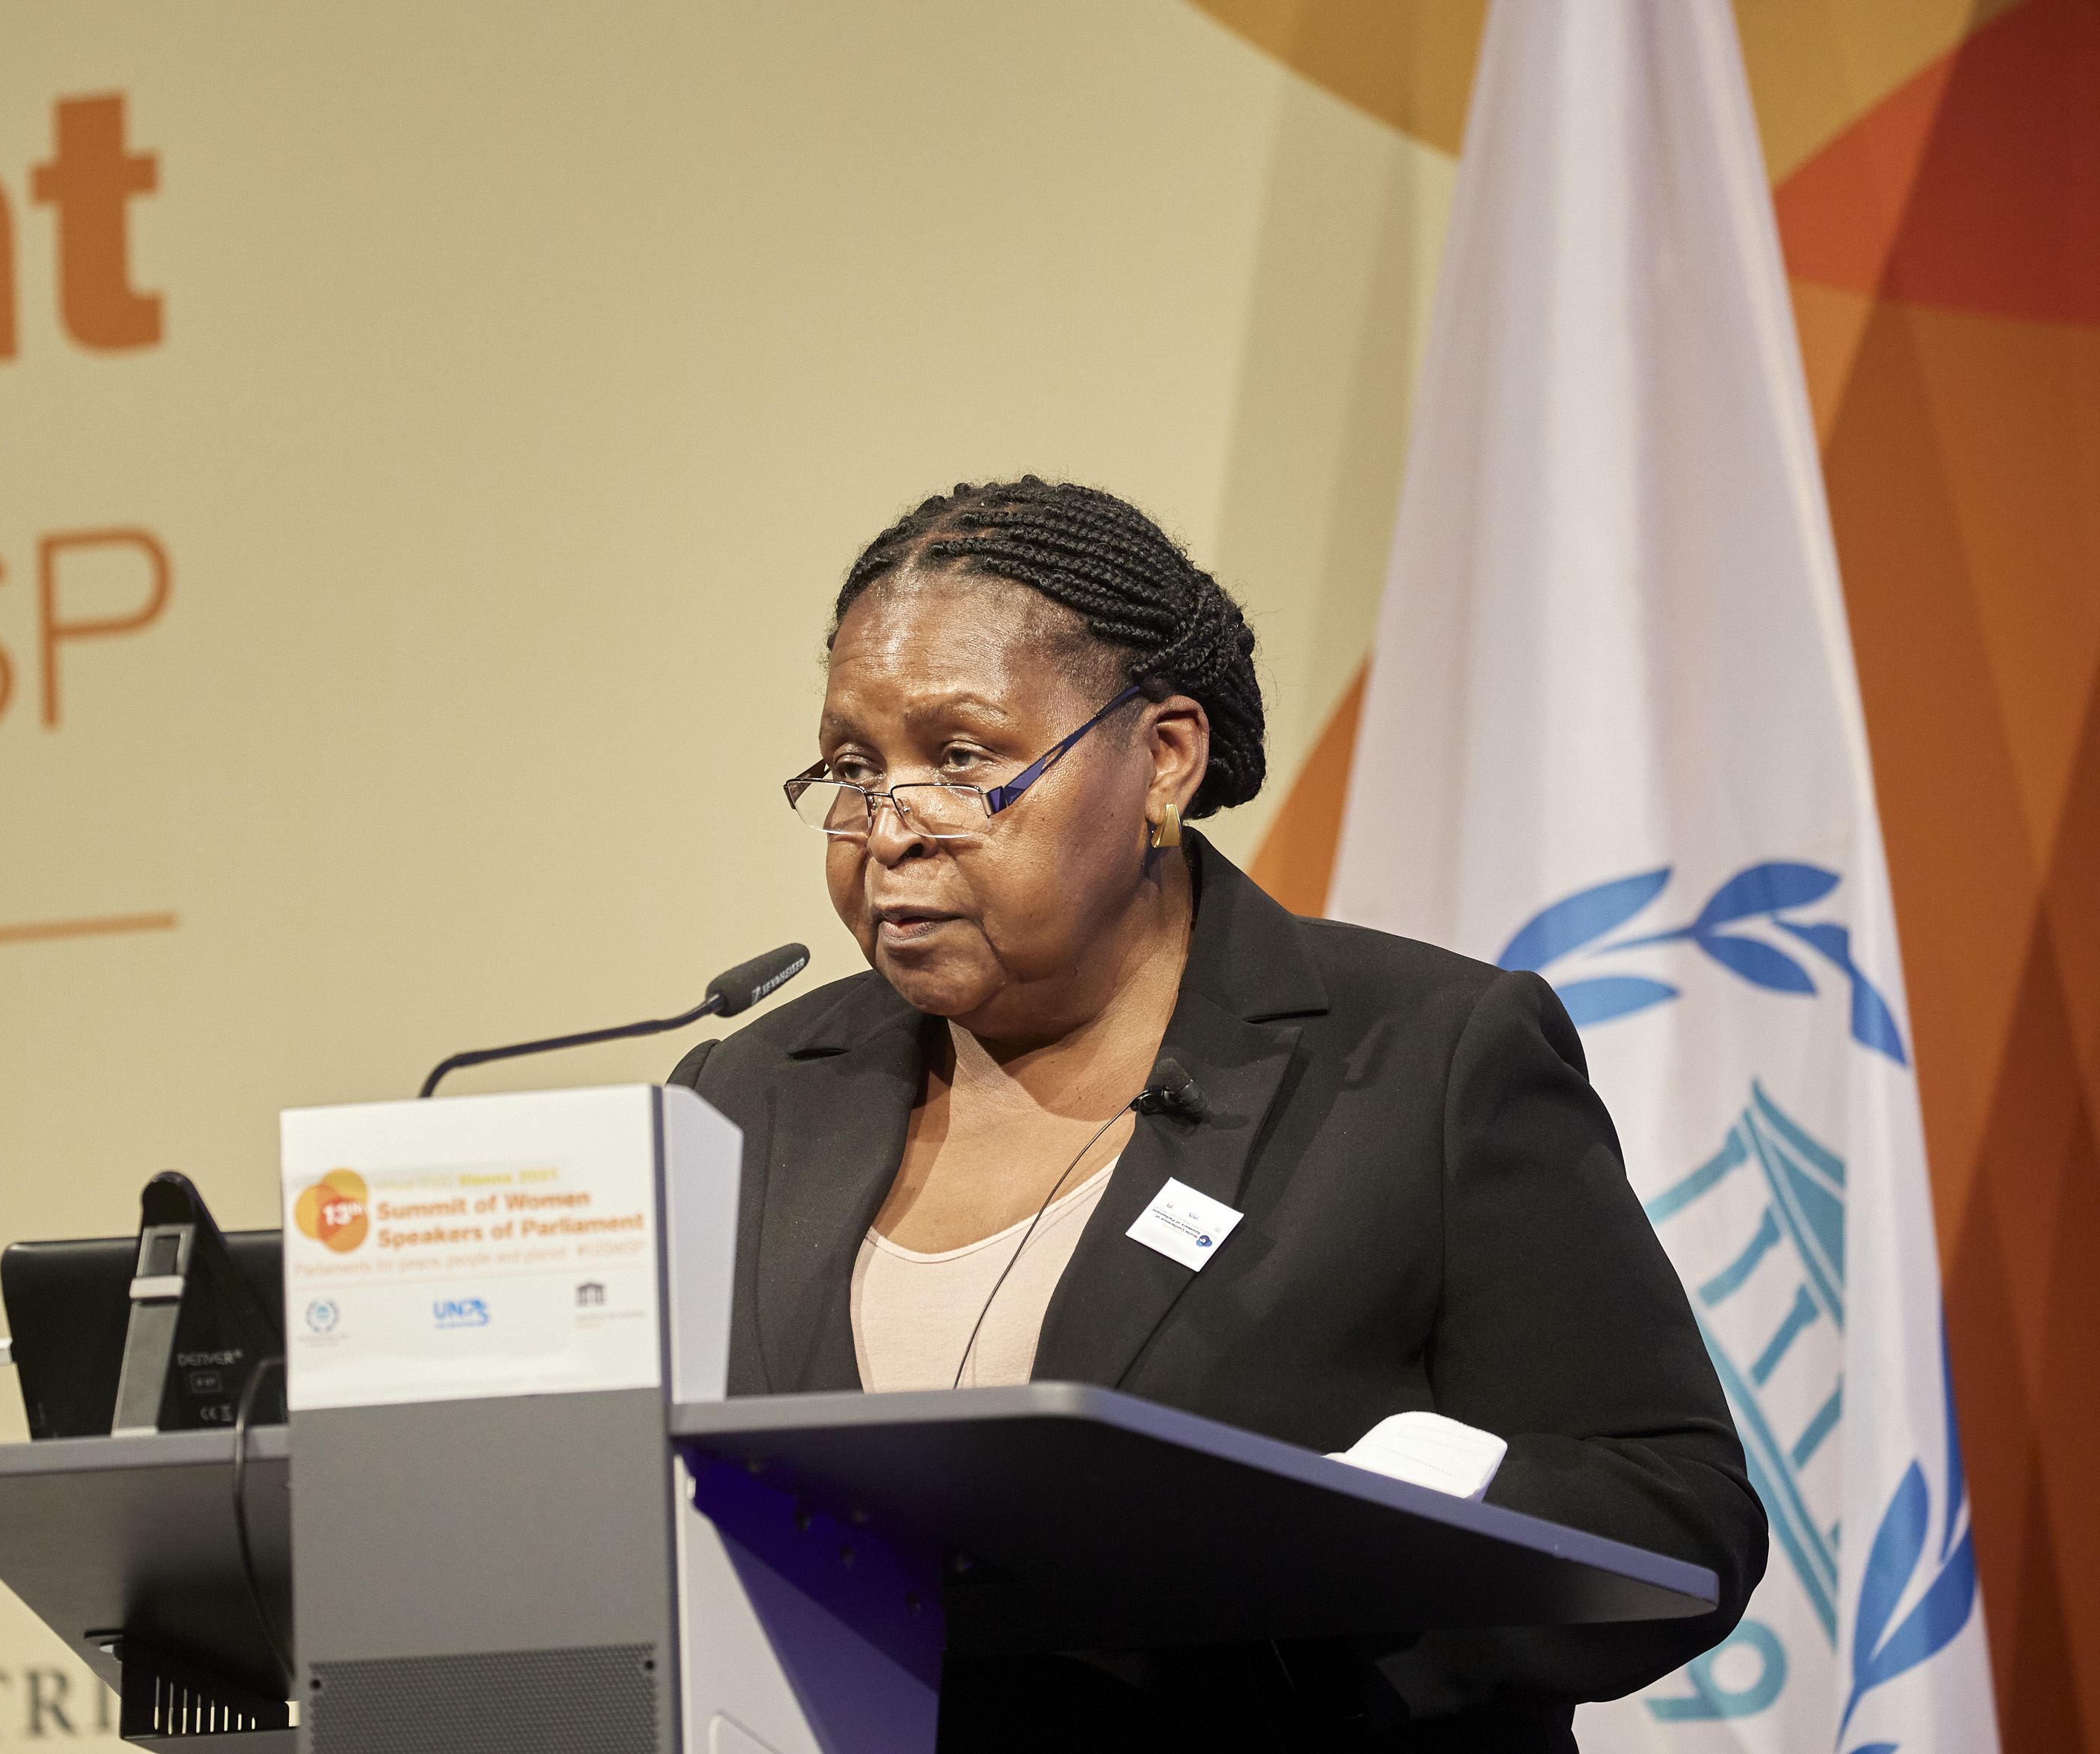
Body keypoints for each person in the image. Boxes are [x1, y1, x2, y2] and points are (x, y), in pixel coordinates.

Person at [670, 477, 1766, 1752]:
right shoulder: (743, 1096)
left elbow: (1676, 1514)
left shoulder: (1423, 1061)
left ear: (1164, 759)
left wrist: (1381, 1539)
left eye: (961, 760)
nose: (888, 832)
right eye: (856, 769)